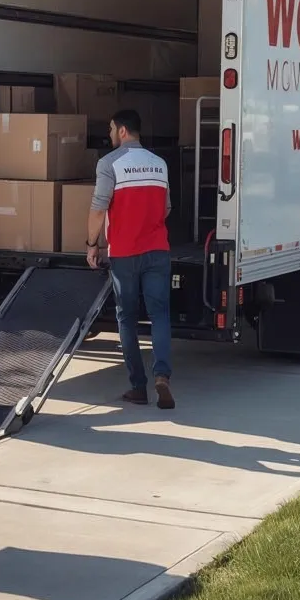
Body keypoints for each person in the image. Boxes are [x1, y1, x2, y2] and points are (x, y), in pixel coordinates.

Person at [85, 108, 175, 410]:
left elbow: (99, 208)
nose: (110, 134)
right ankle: (162, 376)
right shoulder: (159, 164)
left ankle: (138, 386)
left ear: (123, 131)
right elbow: (166, 208)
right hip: (158, 250)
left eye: (112, 129)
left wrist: (92, 244)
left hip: (125, 253)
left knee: (127, 317)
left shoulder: (110, 163)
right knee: (160, 314)